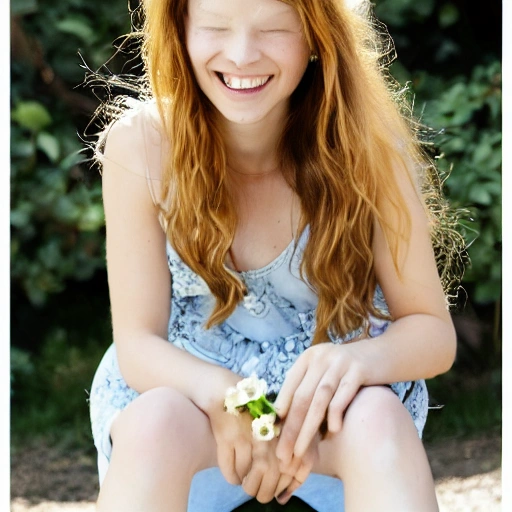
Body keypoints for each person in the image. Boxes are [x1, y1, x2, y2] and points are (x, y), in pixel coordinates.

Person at [87, 0, 465, 510]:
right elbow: (137, 344)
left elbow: (432, 333)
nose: (242, 55)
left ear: (315, 36)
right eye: (217, 28)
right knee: (155, 423)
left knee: (379, 417)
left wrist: (352, 359)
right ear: (181, 31)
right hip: (197, 405)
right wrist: (227, 395)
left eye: (272, 30)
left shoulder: (370, 150)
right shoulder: (141, 146)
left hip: (326, 415)